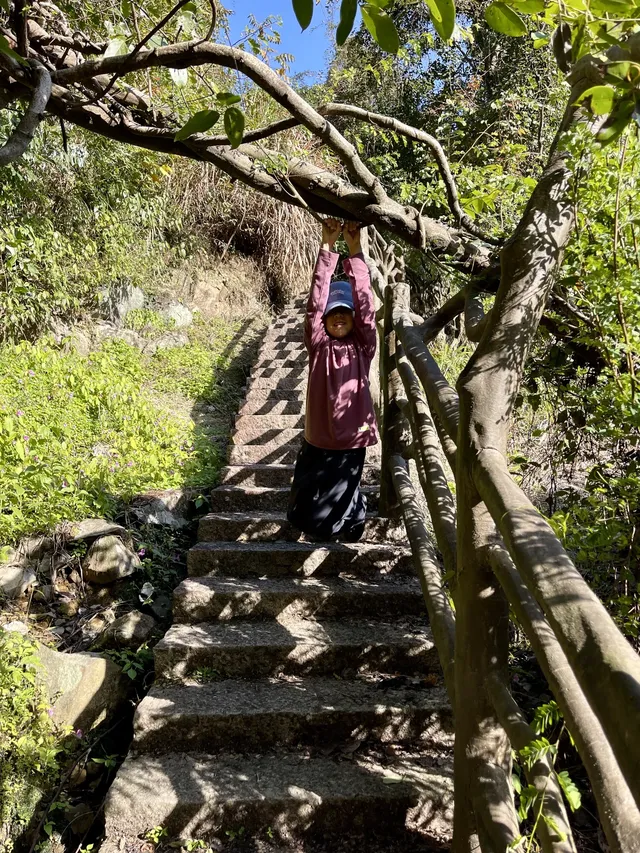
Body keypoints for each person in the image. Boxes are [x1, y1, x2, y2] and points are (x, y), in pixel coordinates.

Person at [287, 218, 379, 542]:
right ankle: (330, 524)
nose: (338, 316)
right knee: (308, 505)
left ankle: (352, 520)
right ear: (324, 321)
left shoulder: (363, 346)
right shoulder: (319, 345)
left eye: (345, 312)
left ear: (353, 320)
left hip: (353, 435)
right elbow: (314, 303)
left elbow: (367, 307)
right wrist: (327, 248)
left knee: (346, 493)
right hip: (320, 436)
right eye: (332, 313)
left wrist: (354, 250)